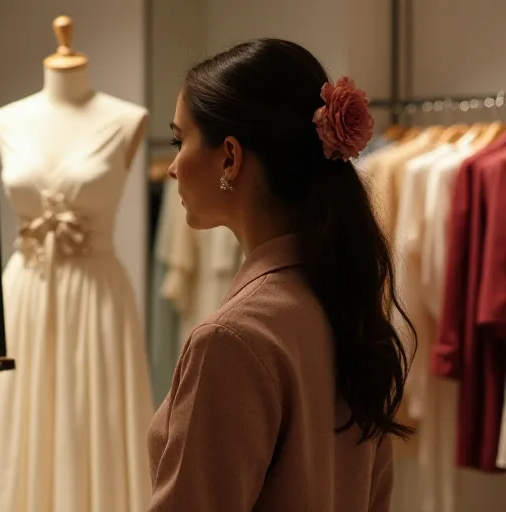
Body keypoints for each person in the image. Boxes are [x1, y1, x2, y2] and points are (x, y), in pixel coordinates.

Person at [147, 38, 414, 511]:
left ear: (230, 156)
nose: (171, 167)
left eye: (178, 139)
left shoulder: (231, 339)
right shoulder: (343, 307)